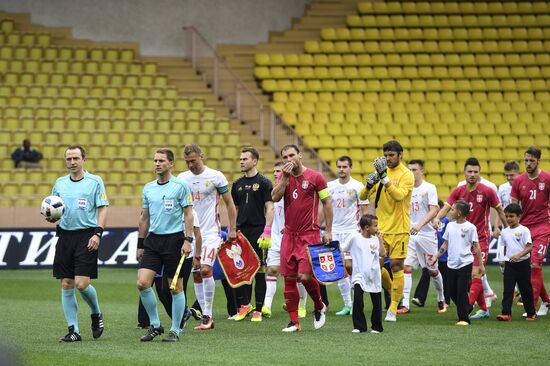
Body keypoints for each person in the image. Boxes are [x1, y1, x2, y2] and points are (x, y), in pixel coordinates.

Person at [434, 157, 507, 320]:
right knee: (470, 277)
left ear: (480, 173)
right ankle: (483, 307)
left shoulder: (487, 190)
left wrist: (506, 229)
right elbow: (447, 206)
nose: (472, 174)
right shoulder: (459, 190)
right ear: (464, 173)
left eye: (476, 172)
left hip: (480, 238)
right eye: (470, 171)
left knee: (475, 273)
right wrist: (437, 218)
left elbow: (500, 210)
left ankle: (467, 306)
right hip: (460, 240)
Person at [49, 145, 108, 342]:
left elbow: (103, 208)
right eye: (69, 159)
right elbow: (53, 208)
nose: (72, 162)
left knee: (82, 284)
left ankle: (96, 313)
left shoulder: (95, 181)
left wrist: (98, 234)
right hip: (65, 236)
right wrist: (50, 216)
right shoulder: (59, 183)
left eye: (76, 158)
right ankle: (73, 330)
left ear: (84, 159)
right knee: (66, 284)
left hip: (87, 236)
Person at [272, 144, 332, 332]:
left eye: (291, 155)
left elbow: (327, 203)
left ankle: (319, 304)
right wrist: (285, 178)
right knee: (289, 278)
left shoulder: (316, 177)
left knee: (304, 276)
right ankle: (294, 322)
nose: (288, 159)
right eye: (285, 157)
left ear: (300, 155)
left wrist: (328, 230)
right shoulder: (284, 176)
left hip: (309, 234)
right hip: (289, 235)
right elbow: (274, 197)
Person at [136, 148, 194, 342]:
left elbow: (188, 214)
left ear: (171, 164)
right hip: (153, 240)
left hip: (175, 241)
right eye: (155, 160)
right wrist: (140, 244)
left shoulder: (181, 186)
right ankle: (155, 325)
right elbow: (144, 218)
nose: (157, 164)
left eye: (161, 161)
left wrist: (188, 239)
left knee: (175, 287)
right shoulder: (148, 188)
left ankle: (175, 330)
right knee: (142, 283)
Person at [178, 144, 237, 330]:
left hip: (211, 232)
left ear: (201, 156)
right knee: (196, 272)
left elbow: (229, 203)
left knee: (205, 269)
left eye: (193, 161)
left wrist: (233, 228)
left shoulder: (216, 176)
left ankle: (208, 315)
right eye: (187, 162)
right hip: (190, 234)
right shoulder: (182, 178)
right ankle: (205, 316)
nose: (190, 165)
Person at [359, 140, 414, 321]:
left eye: (391, 155)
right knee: (376, 266)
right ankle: (394, 292)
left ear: (400, 155)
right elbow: (362, 196)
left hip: (400, 229)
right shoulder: (381, 172)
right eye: (386, 155)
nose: (388, 158)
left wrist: (384, 179)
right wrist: (368, 185)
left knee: (397, 266)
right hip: (381, 229)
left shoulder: (407, 175)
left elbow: (399, 196)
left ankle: (392, 308)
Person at [137, 209, 203, 328]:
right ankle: (181, 316)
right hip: (169, 251)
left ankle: (178, 324)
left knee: (178, 287)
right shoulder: (168, 211)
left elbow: (197, 234)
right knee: (164, 290)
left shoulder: (191, 212)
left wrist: (197, 256)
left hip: (186, 255)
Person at [230, 147, 274, 322]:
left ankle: (258, 309)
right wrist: (232, 228)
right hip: (241, 232)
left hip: (258, 230)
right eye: (240, 159)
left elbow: (269, 207)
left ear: (254, 161)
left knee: (260, 270)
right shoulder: (237, 184)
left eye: (245, 159)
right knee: (241, 269)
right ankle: (245, 306)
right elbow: (235, 209)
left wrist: (267, 230)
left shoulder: (264, 182)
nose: (241, 161)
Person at [262, 162, 308, 319]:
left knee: (297, 275)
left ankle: (301, 305)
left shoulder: (294, 190)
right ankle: (266, 305)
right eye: (274, 171)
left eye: (279, 171)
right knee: (272, 270)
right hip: (276, 237)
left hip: (294, 236)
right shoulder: (273, 192)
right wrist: (267, 231)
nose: (276, 174)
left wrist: (292, 226)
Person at [399, 160, 446, 314]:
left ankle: (441, 298)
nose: (412, 172)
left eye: (415, 169)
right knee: (406, 266)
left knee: (432, 270)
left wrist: (419, 225)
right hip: (410, 234)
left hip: (426, 234)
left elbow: (434, 210)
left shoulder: (429, 188)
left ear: (422, 171)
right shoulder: (406, 188)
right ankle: (405, 304)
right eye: (410, 169)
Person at [327, 156, 369, 316]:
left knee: (351, 266)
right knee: (339, 269)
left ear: (350, 167)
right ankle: (348, 305)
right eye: (339, 166)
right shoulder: (330, 186)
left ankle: (357, 302)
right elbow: (326, 209)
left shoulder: (358, 186)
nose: (341, 169)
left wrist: (363, 231)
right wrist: (324, 228)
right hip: (335, 231)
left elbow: (365, 210)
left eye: (344, 166)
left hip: (352, 231)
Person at [430, 200, 483, 326]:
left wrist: (480, 265)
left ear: (459, 213)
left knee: (460, 291)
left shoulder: (470, 228)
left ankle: (464, 318)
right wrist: (436, 256)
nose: (450, 211)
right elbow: (445, 244)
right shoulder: (450, 225)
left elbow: (476, 247)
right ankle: (467, 307)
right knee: (451, 291)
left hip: (465, 263)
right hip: (451, 263)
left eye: (452, 209)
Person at [511, 146, 550, 316]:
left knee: (535, 264)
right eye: (526, 160)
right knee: (528, 268)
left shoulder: (547, 178)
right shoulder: (519, 181)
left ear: (538, 161)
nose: (528, 163)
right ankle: (547, 302)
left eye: (531, 160)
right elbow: (513, 205)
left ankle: (531, 308)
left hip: (542, 226)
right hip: (524, 228)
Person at [497, 203, 536, 321]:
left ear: (519, 216)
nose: (508, 219)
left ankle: (531, 313)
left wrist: (518, 255)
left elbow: (529, 247)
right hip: (510, 264)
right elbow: (503, 246)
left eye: (511, 216)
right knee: (508, 289)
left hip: (523, 264)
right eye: (507, 216)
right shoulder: (504, 232)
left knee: (526, 290)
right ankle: (506, 313)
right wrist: (503, 259)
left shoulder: (524, 230)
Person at [346, 214, 385, 334]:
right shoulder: (354, 238)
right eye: (375, 226)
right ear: (367, 227)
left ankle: (377, 326)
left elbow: (382, 254)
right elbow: (343, 248)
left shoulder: (375, 240)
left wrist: (380, 239)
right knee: (357, 298)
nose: (377, 228)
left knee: (376, 301)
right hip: (359, 275)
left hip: (374, 275)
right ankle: (359, 326)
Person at [411, 200, 450, 307]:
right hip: (429, 250)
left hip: (442, 254)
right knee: (426, 272)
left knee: (443, 276)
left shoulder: (446, 221)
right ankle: (420, 298)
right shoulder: (423, 219)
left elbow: (448, 238)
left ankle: (445, 299)